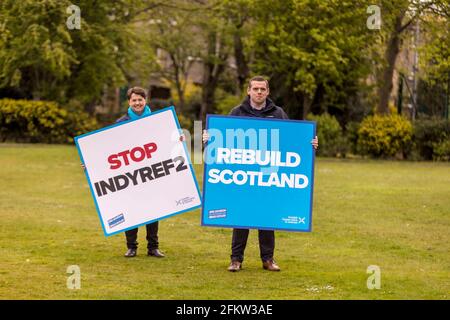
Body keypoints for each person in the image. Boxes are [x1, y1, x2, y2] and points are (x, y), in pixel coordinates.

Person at [202, 76, 319, 272]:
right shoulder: (237, 113)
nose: (258, 92)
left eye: (262, 89)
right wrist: (208, 138)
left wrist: (310, 144)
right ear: (248, 91)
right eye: (255, 89)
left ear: (267, 92)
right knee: (240, 216)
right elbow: (223, 140)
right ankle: (236, 259)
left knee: (267, 216)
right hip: (244, 176)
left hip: (268, 176)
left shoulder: (278, 113)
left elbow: (292, 139)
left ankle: (268, 259)